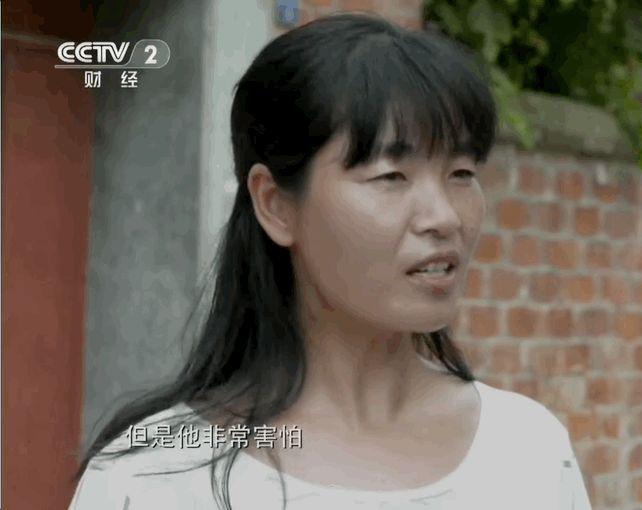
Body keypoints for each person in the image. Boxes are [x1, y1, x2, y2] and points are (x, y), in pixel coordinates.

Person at [68, 12, 593, 510]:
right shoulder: (154, 474)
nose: (445, 217)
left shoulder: (528, 451)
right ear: (275, 205)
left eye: (462, 174)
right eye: (391, 176)